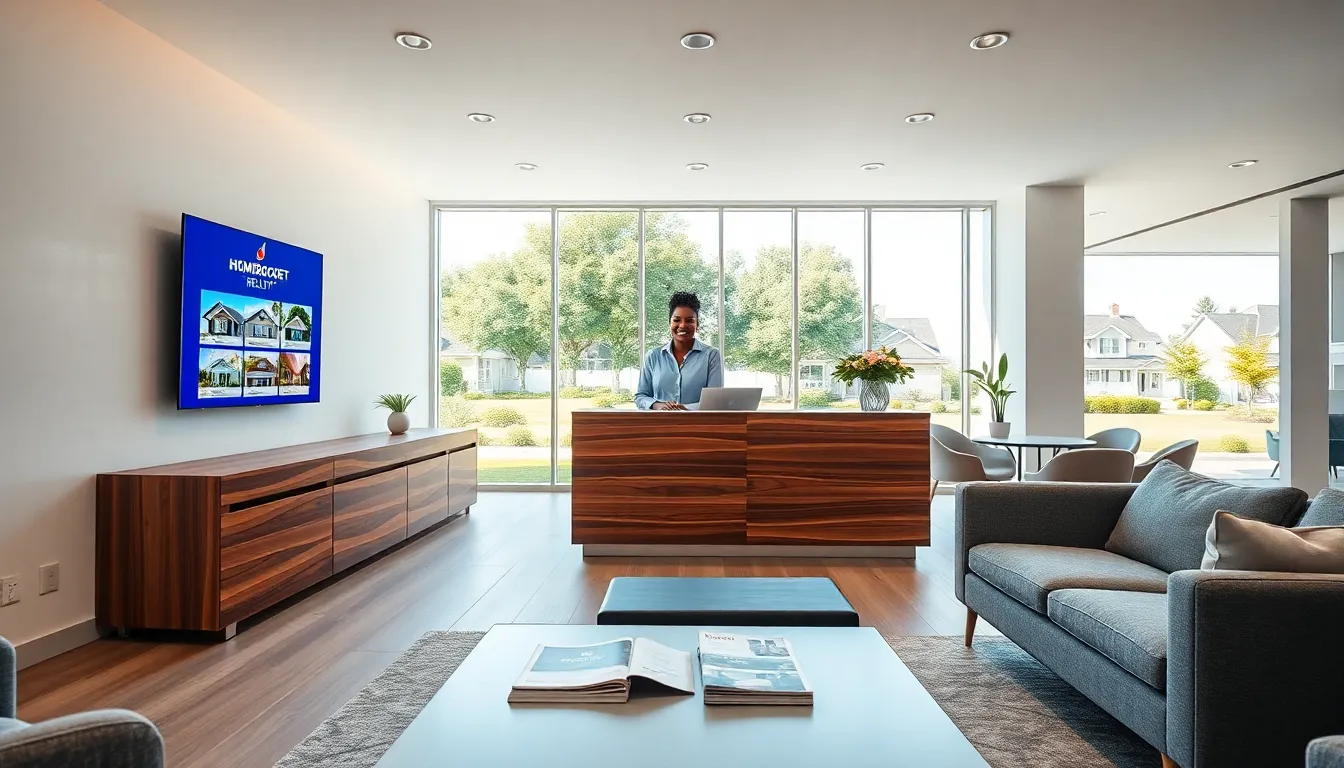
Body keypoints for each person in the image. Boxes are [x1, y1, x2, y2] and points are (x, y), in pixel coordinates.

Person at [634, 291, 723, 410]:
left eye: (690, 320)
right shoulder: (653, 357)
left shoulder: (711, 356)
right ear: (669, 322)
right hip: (659, 425)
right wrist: (656, 405)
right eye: (677, 320)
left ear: (697, 324)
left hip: (697, 425)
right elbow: (641, 396)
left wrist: (685, 408)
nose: (682, 325)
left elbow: (714, 401)